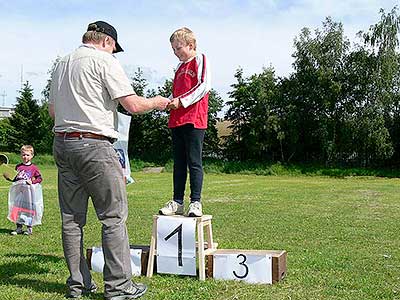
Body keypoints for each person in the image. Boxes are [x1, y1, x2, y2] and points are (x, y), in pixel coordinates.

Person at [48, 20, 170, 300]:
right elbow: (133, 105)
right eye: (114, 48)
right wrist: (158, 101)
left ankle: (78, 285)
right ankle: (118, 287)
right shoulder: (105, 61)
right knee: (113, 217)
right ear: (107, 42)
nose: (114, 53)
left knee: (71, 220)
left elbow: (54, 112)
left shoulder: (62, 63)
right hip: (95, 146)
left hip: (63, 144)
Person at [159, 27, 211, 217]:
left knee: (194, 161)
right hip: (177, 119)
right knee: (179, 163)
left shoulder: (200, 59)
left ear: (191, 45)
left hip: (194, 119)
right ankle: (177, 201)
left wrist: (181, 101)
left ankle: (196, 202)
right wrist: (168, 101)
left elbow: (203, 86)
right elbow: (176, 93)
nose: (176, 53)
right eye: (173, 50)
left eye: (178, 48)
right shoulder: (179, 68)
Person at [4, 145, 42, 235]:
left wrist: (32, 181)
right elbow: (15, 178)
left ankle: (29, 228)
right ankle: (19, 228)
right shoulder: (18, 167)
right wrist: (8, 178)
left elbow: (39, 178)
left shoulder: (33, 168)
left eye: (28, 155)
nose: (25, 157)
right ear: (21, 155)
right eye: (23, 155)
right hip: (19, 192)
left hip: (28, 193)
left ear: (32, 156)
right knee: (18, 209)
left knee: (28, 209)